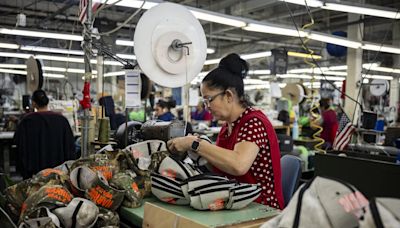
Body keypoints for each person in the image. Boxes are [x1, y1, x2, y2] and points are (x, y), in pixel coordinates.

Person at [167, 53, 284, 209]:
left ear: (228, 95)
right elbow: (223, 168)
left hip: (262, 208)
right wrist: (201, 157)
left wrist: (195, 144)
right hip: (236, 202)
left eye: (209, 99)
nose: (207, 106)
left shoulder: (253, 122)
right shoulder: (227, 127)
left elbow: (238, 165)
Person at [14, 89, 77, 179]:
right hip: (58, 173)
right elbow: (70, 146)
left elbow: (19, 144)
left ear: (33, 103)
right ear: (47, 102)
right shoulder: (62, 120)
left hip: (34, 174)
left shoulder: (27, 121)